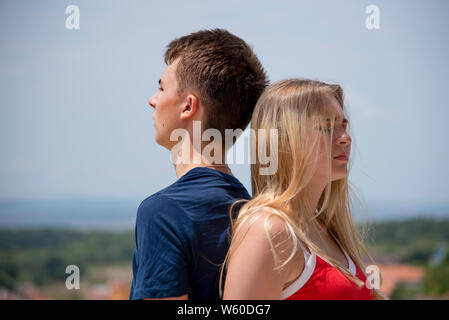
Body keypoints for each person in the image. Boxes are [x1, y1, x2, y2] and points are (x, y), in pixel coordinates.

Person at [129, 29, 268, 300]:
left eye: (161, 87)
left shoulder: (164, 212)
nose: (152, 100)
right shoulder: (257, 211)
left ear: (187, 106)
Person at [222, 79, 387, 300]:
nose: (345, 138)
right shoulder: (269, 231)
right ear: (286, 140)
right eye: (327, 127)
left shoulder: (324, 229)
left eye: (343, 126)